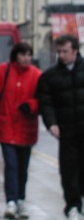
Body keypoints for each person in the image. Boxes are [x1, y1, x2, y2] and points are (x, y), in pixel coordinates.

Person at [0, 42, 42, 219]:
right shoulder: (2, 72)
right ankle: (11, 201)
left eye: (29, 55)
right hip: (7, 129)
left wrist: (32, 106)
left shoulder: (36, 76)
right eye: (23, 54)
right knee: (12, 166)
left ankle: (20, 200)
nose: (27, 58)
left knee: (23, 168)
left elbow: (44, 99)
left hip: (26, 130)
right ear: (16, 55)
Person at [36, 34, 84, 220]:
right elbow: (46, 102)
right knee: (69, 170)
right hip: (67, 131)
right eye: (59, 52)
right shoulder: (51, 76)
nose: (61, 55)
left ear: (75, 51)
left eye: (65, 51)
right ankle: (72, 206)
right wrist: (52, 123)